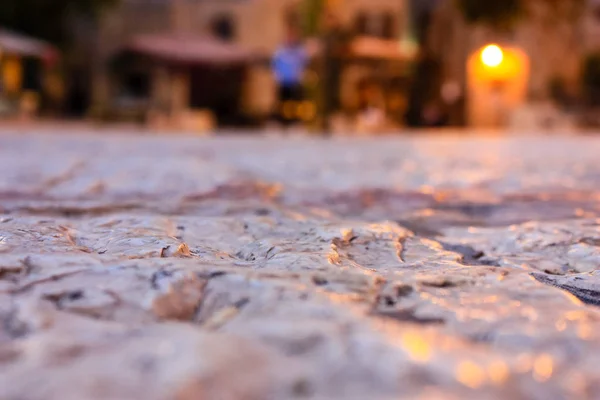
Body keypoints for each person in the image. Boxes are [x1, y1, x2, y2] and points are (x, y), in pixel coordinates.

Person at [272, 27, 308, 127]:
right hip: (283, 81)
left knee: (296, 103)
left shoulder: (300, 51)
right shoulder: (280, 50)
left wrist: (301, 75)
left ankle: (296, 121)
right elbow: (275, 64)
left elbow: (304, 64)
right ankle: (282, 121)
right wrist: (277, 76)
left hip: (295, 81)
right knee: (282, 103)